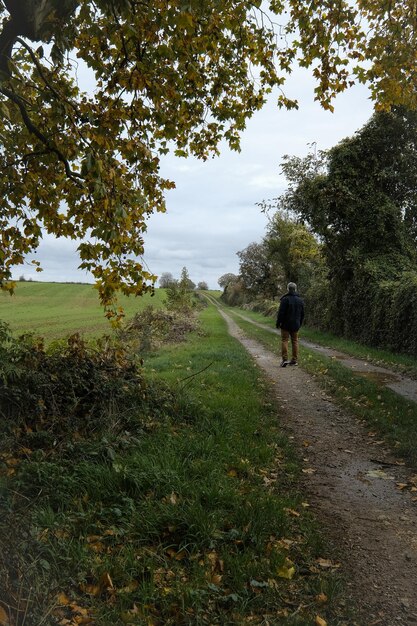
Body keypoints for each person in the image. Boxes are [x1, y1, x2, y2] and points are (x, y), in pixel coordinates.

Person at [276, 282, 304, 367]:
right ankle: (294, 360)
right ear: (295, 289)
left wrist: (278, 323)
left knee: (285, 340)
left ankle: (285, 360)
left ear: (288, 289)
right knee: (295, 341)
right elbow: (302, 314)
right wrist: (300, 323)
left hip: (285, 324)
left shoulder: (285, 299)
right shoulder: (300, 300)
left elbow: (281, 313)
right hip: (296, 324)